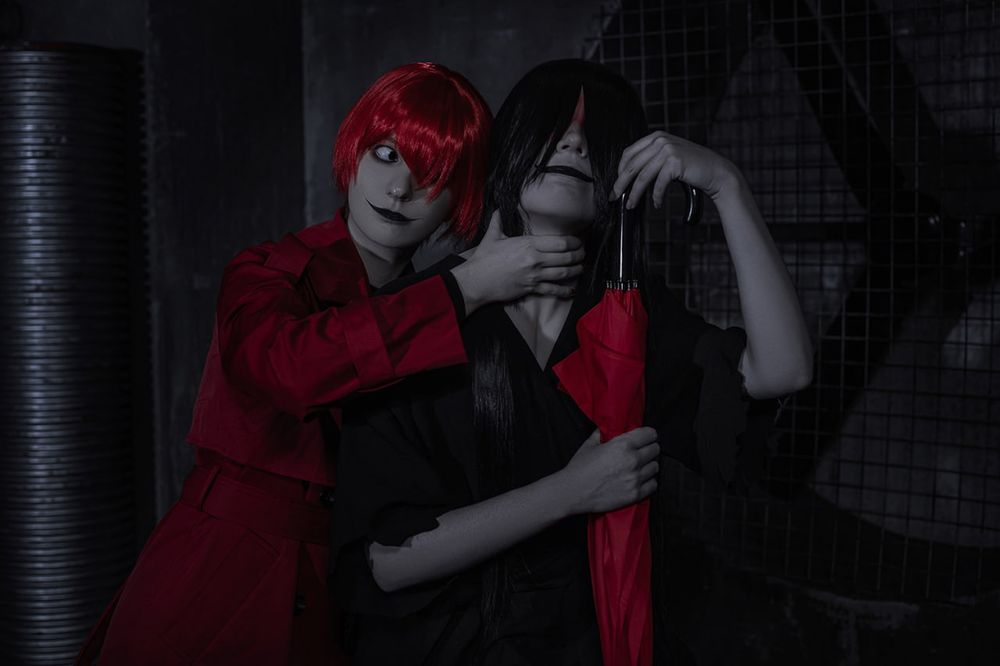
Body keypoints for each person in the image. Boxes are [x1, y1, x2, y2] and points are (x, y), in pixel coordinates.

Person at [76, 62, 588, 665]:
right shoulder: (268, 273)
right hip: (224, 571)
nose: (398, 190)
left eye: (433, 174)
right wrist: (464, 288)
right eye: (386, 155)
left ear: (462, 197)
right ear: (354, 151)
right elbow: (288, 368)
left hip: (358, 597)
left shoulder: (459, 306)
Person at [330, 59, 813, 665]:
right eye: (555, 122)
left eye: (596, 131)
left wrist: (727, 186)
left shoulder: (628, 314)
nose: (575, 142)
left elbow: (784, 371)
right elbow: (387, 562)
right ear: (511, 145)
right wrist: (571, 491)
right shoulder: (418, 312)